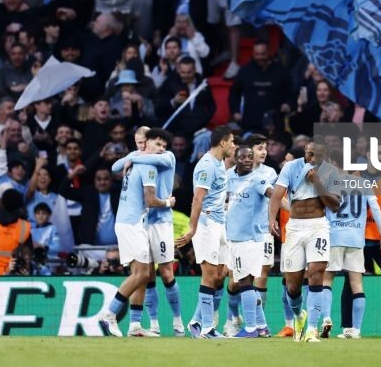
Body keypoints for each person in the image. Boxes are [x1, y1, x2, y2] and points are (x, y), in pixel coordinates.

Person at [98, 134, 176, 337]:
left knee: (143, 275)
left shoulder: (134, 162)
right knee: (142, 273)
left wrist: (134, 156)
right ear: (146, 143)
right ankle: (109, 314)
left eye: (163, 145)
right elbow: (150, 200)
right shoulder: (148, 167)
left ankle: (134, 326)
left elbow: (116, 166)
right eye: (157, 144)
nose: (161, 148)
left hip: (126, 222)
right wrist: (168, 203)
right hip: (132, 225)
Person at [267, 136, 341, 342]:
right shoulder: (291, 167)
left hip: (318, 226)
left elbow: (335, 205)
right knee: (292, 285)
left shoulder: (330, 172)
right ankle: (300, 315)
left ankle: (311, 330)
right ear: (304, 153)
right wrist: (272, 218)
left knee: (317, 272)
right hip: (295, 227)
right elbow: (276, 195)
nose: (311, 157)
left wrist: (317, 181)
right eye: (309, 153)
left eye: (316, 154)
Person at [340, 141, 381, 338]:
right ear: (368, 154)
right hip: (357, 240)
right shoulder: (353, 178)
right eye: (380, 152)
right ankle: (347, 327)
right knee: (349, 284)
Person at [177, 125, 236, 339]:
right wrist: (192, 228)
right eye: (232, 141)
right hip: (206, 224)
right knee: (209, 275)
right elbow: (197, 199)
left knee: (221, 275)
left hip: (219, 224)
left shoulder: (219, 163)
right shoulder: (206, 165)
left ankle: (195, 321)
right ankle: (207, 328)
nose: (234, 145)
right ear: (222, 142)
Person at [322, 174, 381, 339]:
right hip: (356, 239)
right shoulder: (363, 183)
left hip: (334, 237)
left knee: (327, 280)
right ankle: (356, 329)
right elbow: (376, 207)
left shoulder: (329, 181)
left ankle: (326, 318)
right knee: (356, 284)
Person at [224, 145, 275, 338]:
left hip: (251, 239)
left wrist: (289, 210)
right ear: (236, 158)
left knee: (245, 282)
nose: (247, 160)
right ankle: (262, 326)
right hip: (234, 238)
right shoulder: (229, 176)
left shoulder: (258, 179)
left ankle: (251, 328)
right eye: (243, 157)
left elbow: (273, 194)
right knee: (247, 284)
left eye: (250, 157)